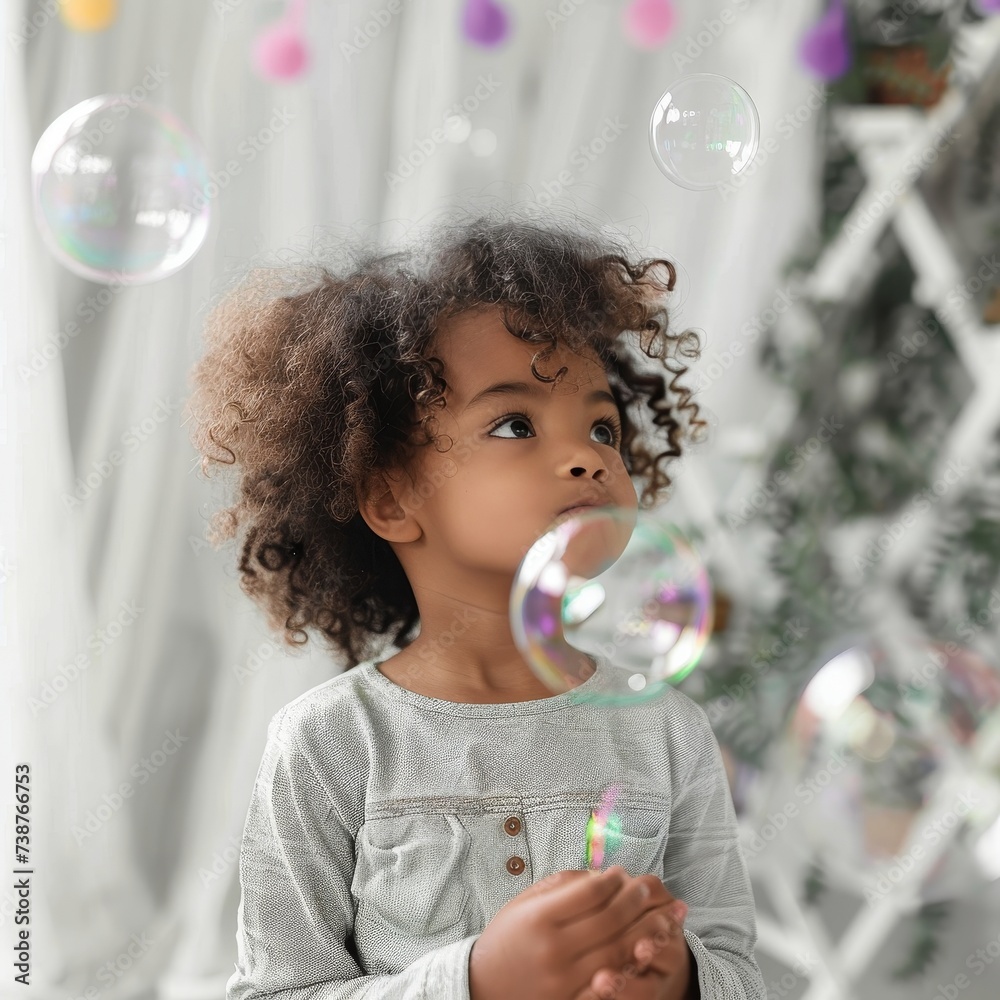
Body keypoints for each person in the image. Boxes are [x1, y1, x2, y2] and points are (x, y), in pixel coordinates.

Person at [185, 210, 768, 1000]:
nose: (585, 458)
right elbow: (277, 992)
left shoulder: (666, 731)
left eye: (602, 426)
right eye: (515, 423)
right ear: (390, 500)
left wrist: (683, 981)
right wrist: (477, 981)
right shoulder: (328, 745)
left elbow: (740, 972)